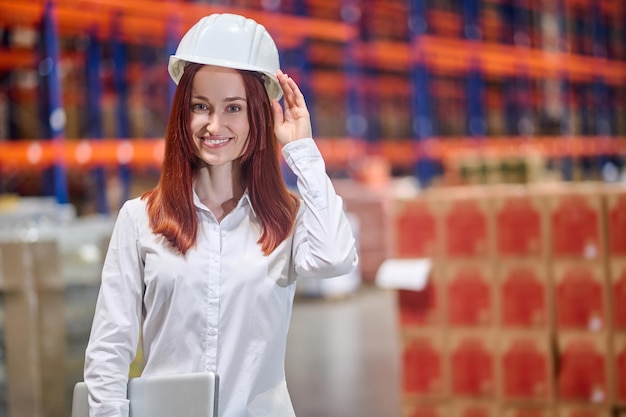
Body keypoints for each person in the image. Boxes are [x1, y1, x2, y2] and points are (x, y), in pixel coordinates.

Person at [83, 12, 358, 417]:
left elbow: (336, 258)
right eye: (201, 106)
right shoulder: (139, 219)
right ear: (183, 113)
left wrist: (302, 152)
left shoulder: (285, 220)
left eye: (233, 108)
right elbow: (110, 346)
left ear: (257, 117)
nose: (214, 125)